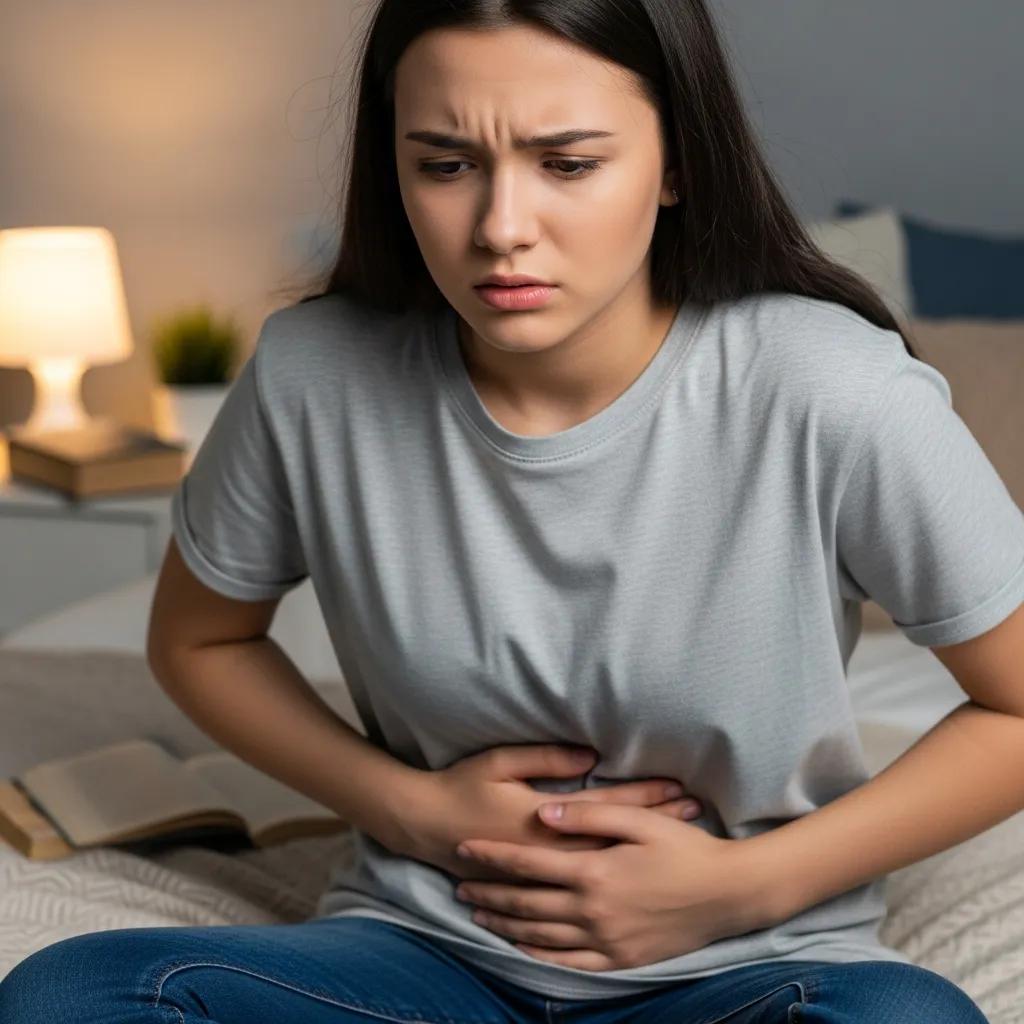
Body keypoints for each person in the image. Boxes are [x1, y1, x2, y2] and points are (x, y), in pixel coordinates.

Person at [3, 1, 1019, 1021]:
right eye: (444, 164)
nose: (500, 228)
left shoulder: (828, 386)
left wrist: (744, 885)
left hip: (745, 970)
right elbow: (199, 639)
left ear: (677, 164)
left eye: (567, 163)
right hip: (420, 959)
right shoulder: (313, 378)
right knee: (67, 992)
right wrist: (410, 808)